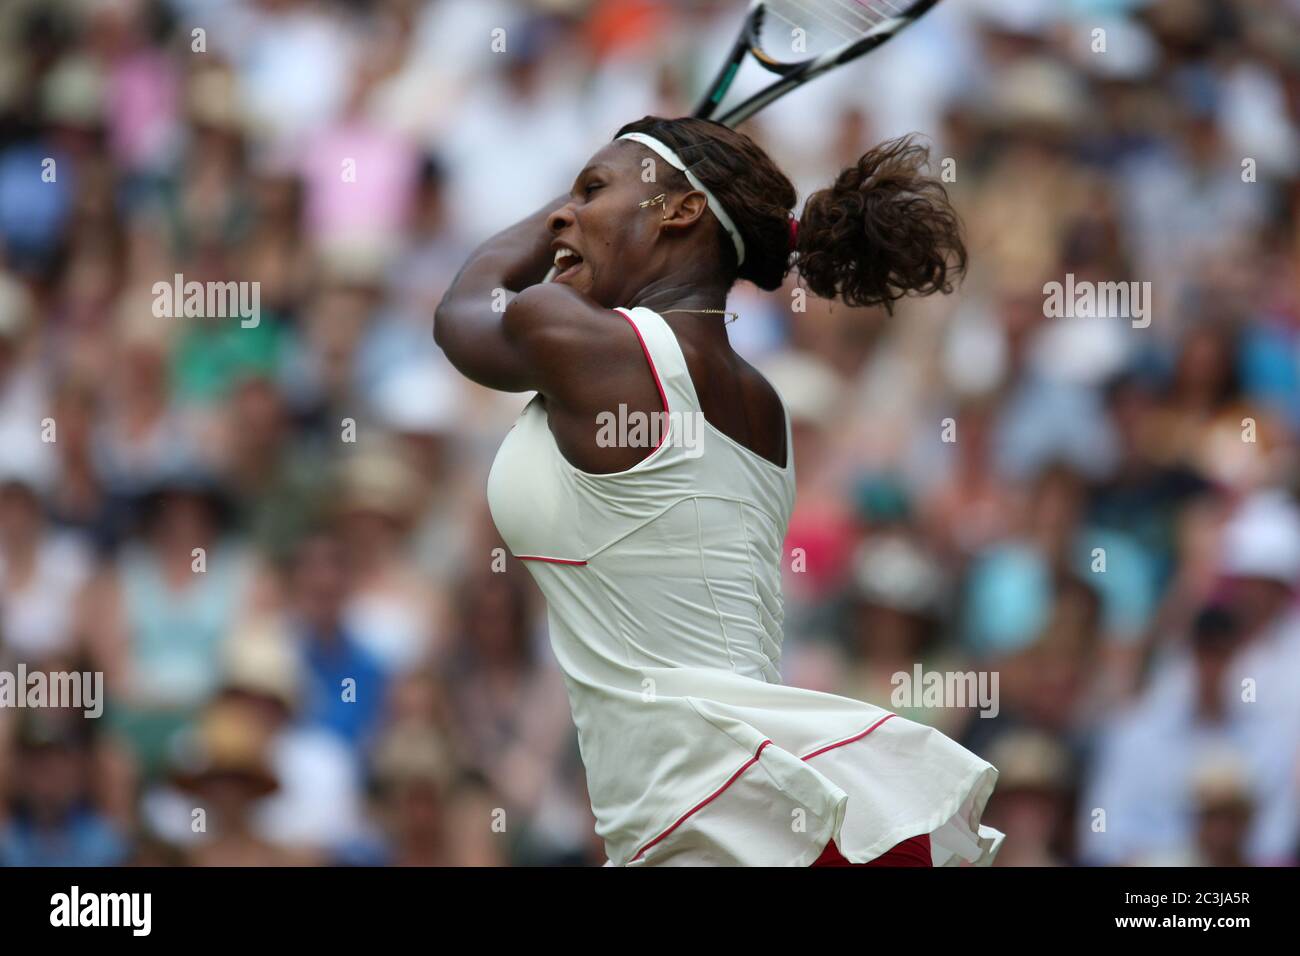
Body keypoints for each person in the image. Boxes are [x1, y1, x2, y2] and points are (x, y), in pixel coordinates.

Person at [434, 115, 1003, 866]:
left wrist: (551, 218)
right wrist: (601, 204)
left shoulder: (581, 344)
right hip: (741, 801)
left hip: (705, 809)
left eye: (593, 189)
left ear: (680, 210)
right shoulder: (764, 405)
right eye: (571, 195)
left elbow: (461, 314)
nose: (565, 213)